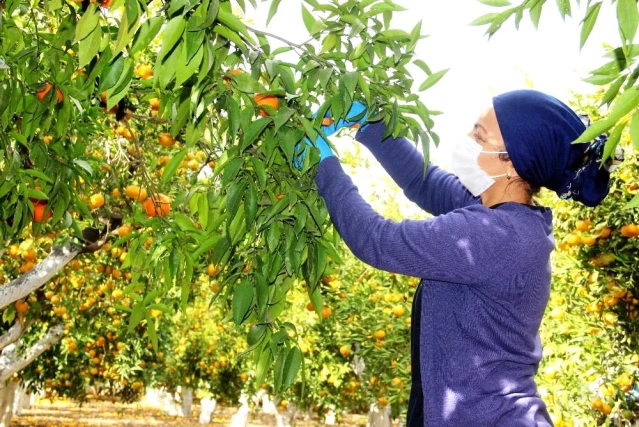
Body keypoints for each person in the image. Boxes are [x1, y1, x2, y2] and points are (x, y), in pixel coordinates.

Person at [295, 89, 620, 426]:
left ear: (511, 161)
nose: (467, 139)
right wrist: (369, 124)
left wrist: (322, 164)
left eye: (479, 135)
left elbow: (377, 240)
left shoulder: (494, 235)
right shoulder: (509, 220)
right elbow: (425, 183)